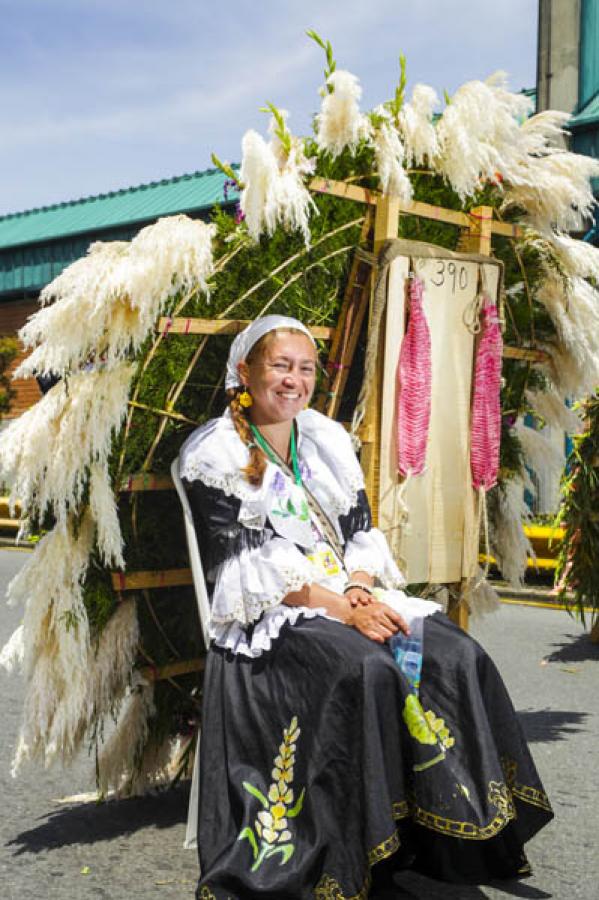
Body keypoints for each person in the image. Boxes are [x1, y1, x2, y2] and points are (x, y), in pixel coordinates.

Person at [179, 315, 553, 900]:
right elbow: (246, 569)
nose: (293, 380)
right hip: (276, 615)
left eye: (305, 368)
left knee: (456, 653)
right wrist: (343, 610)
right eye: (280, 365)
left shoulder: (323, 438)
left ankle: (447, 834)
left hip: (344, 592)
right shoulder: (215, 452)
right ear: (245, 372)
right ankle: (360, 845)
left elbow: (359, 531)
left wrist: (358, 588)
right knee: (368, 667)